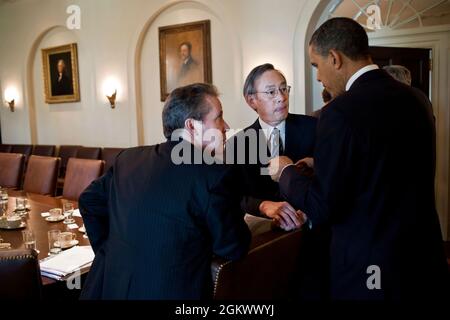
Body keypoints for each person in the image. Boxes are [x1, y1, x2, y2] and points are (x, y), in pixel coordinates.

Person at [269, 17, 448, 300]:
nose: (317, 77)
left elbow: (324, 206)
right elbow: (386, 160)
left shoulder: (339, 112)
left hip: (372, 269)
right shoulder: (416, 99)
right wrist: (324, 163)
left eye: (316, 65)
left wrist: (286, 171)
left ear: (335, 58)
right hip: (423, 257)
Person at [79, 83, 251, 300]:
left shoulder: (128, 160)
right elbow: (234, 247)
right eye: (218, 117)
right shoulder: (214, 174)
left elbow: (88, 201)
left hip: (111, 288)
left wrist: (108, 252)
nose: (226, 126)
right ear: (191, 126)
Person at [227, 63, 317, 231]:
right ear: (251, 100)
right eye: (271, 92)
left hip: (313, 229)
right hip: (265, 236)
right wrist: (263, 206)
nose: (281, 97)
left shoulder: (313, 127)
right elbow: (235, 195)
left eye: (284, 89)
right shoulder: (237, 143)